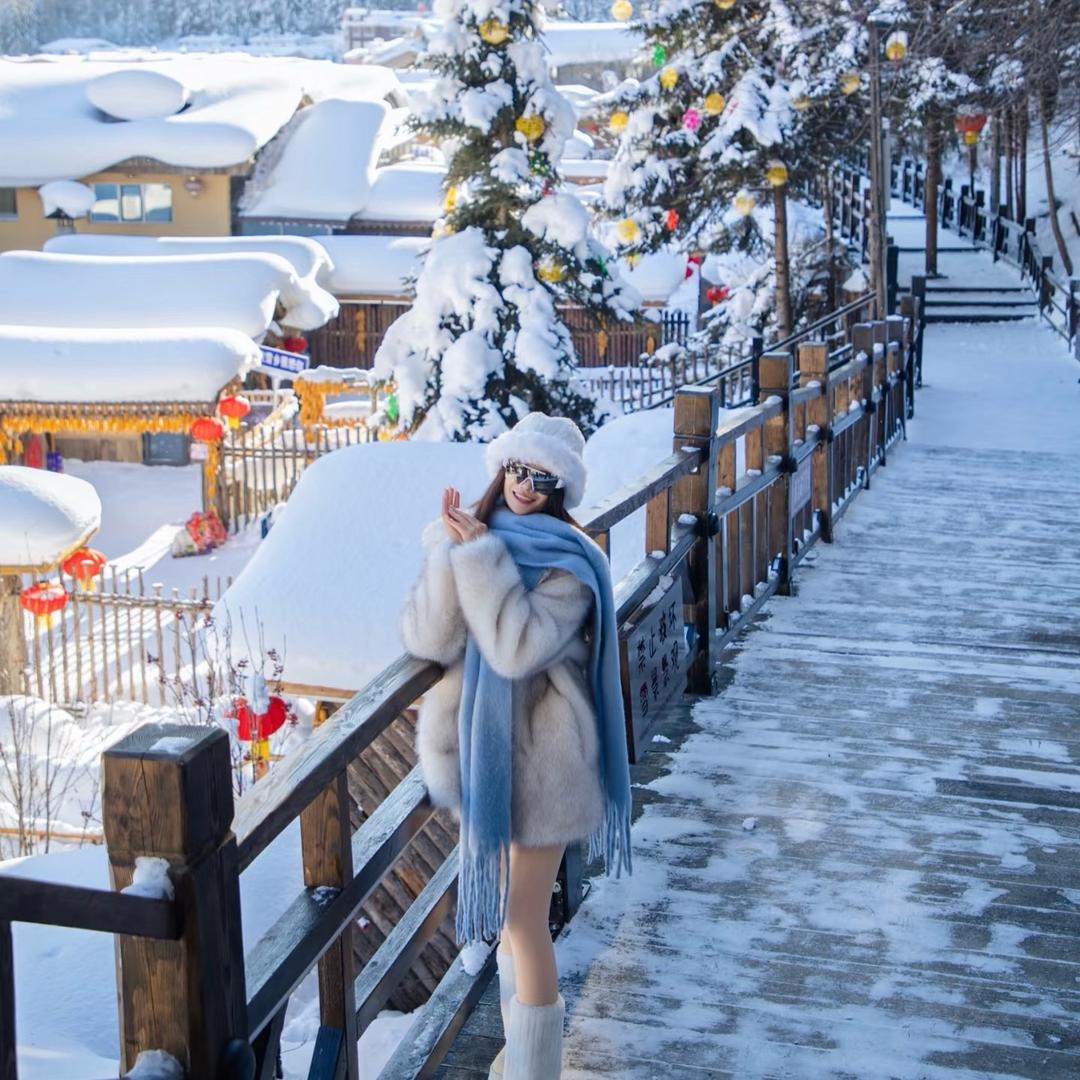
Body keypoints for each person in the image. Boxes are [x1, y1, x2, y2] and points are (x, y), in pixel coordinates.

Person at [400, 412, 632, 1080]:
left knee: (521, 918)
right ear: (500, 468)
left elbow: (514, 646)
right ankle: (520, 1056)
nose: (525, 486)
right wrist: (449, 554)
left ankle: (535, 1073)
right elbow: (431, 640)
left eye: (541, 477)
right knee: (508, 924)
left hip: (547, 759)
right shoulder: (482, 537)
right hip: (488, 754)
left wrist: (479, 559)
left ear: (560, 487)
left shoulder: (569, 563)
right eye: (516, 470)